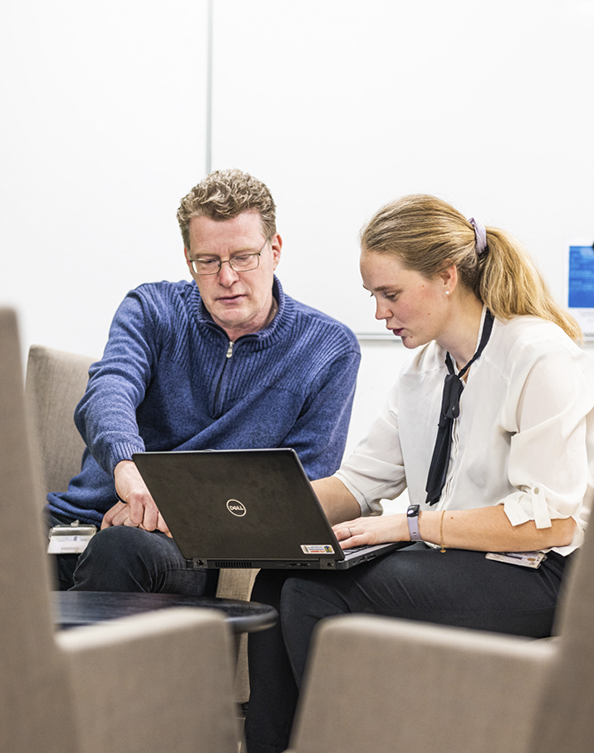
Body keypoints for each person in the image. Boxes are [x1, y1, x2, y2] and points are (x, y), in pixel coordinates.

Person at [243, 194, 594, 753]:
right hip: (454, 562)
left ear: (446, 277)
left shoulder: (539, 357)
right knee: (278, 575)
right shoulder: (424, 370)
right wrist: (250, 513)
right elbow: (359, 485)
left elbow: (551, 522)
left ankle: (329, 745)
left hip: (543, 577)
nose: (378, 313)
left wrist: (409, 526)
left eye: (390, 294)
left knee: (313, 595)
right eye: (373, 296)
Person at [45, 169, 361, 594]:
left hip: (191, 544)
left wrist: (174, 508)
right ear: (188, 259)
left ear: (275, 250)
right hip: (79, 523)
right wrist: (130, 471)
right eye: (207, 262)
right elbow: (108, 390)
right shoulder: (152, 308)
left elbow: (298, 486)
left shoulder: (327, 349)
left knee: (121, 548)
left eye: (243, 257)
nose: (226, 278)